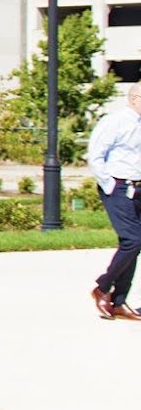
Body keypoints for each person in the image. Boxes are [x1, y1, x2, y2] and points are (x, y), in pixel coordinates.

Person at [87, 82, 141, 321]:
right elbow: (95, 154)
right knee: (133, 240)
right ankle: (102, 287)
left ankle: (119, 301)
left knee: (135, 244)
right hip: (119, 188)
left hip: (138, 189)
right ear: (134, 98)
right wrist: (110, 185)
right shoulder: (115, 121)